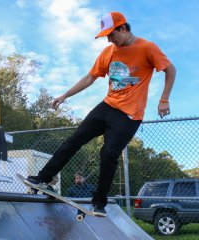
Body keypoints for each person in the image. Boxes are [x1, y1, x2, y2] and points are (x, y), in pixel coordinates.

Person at [25, 11, 176, 216]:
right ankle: (44, 177)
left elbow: (170, 70)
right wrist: (65, 95)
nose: (109, 39)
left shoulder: (147, 48)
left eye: (111, 34)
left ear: (123, 29)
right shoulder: (108, 52)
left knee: (109, 154)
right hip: (107, 106)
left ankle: (99, 202)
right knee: (74, 139)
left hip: (129, 115)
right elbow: (90, 77)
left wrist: (164, 99)